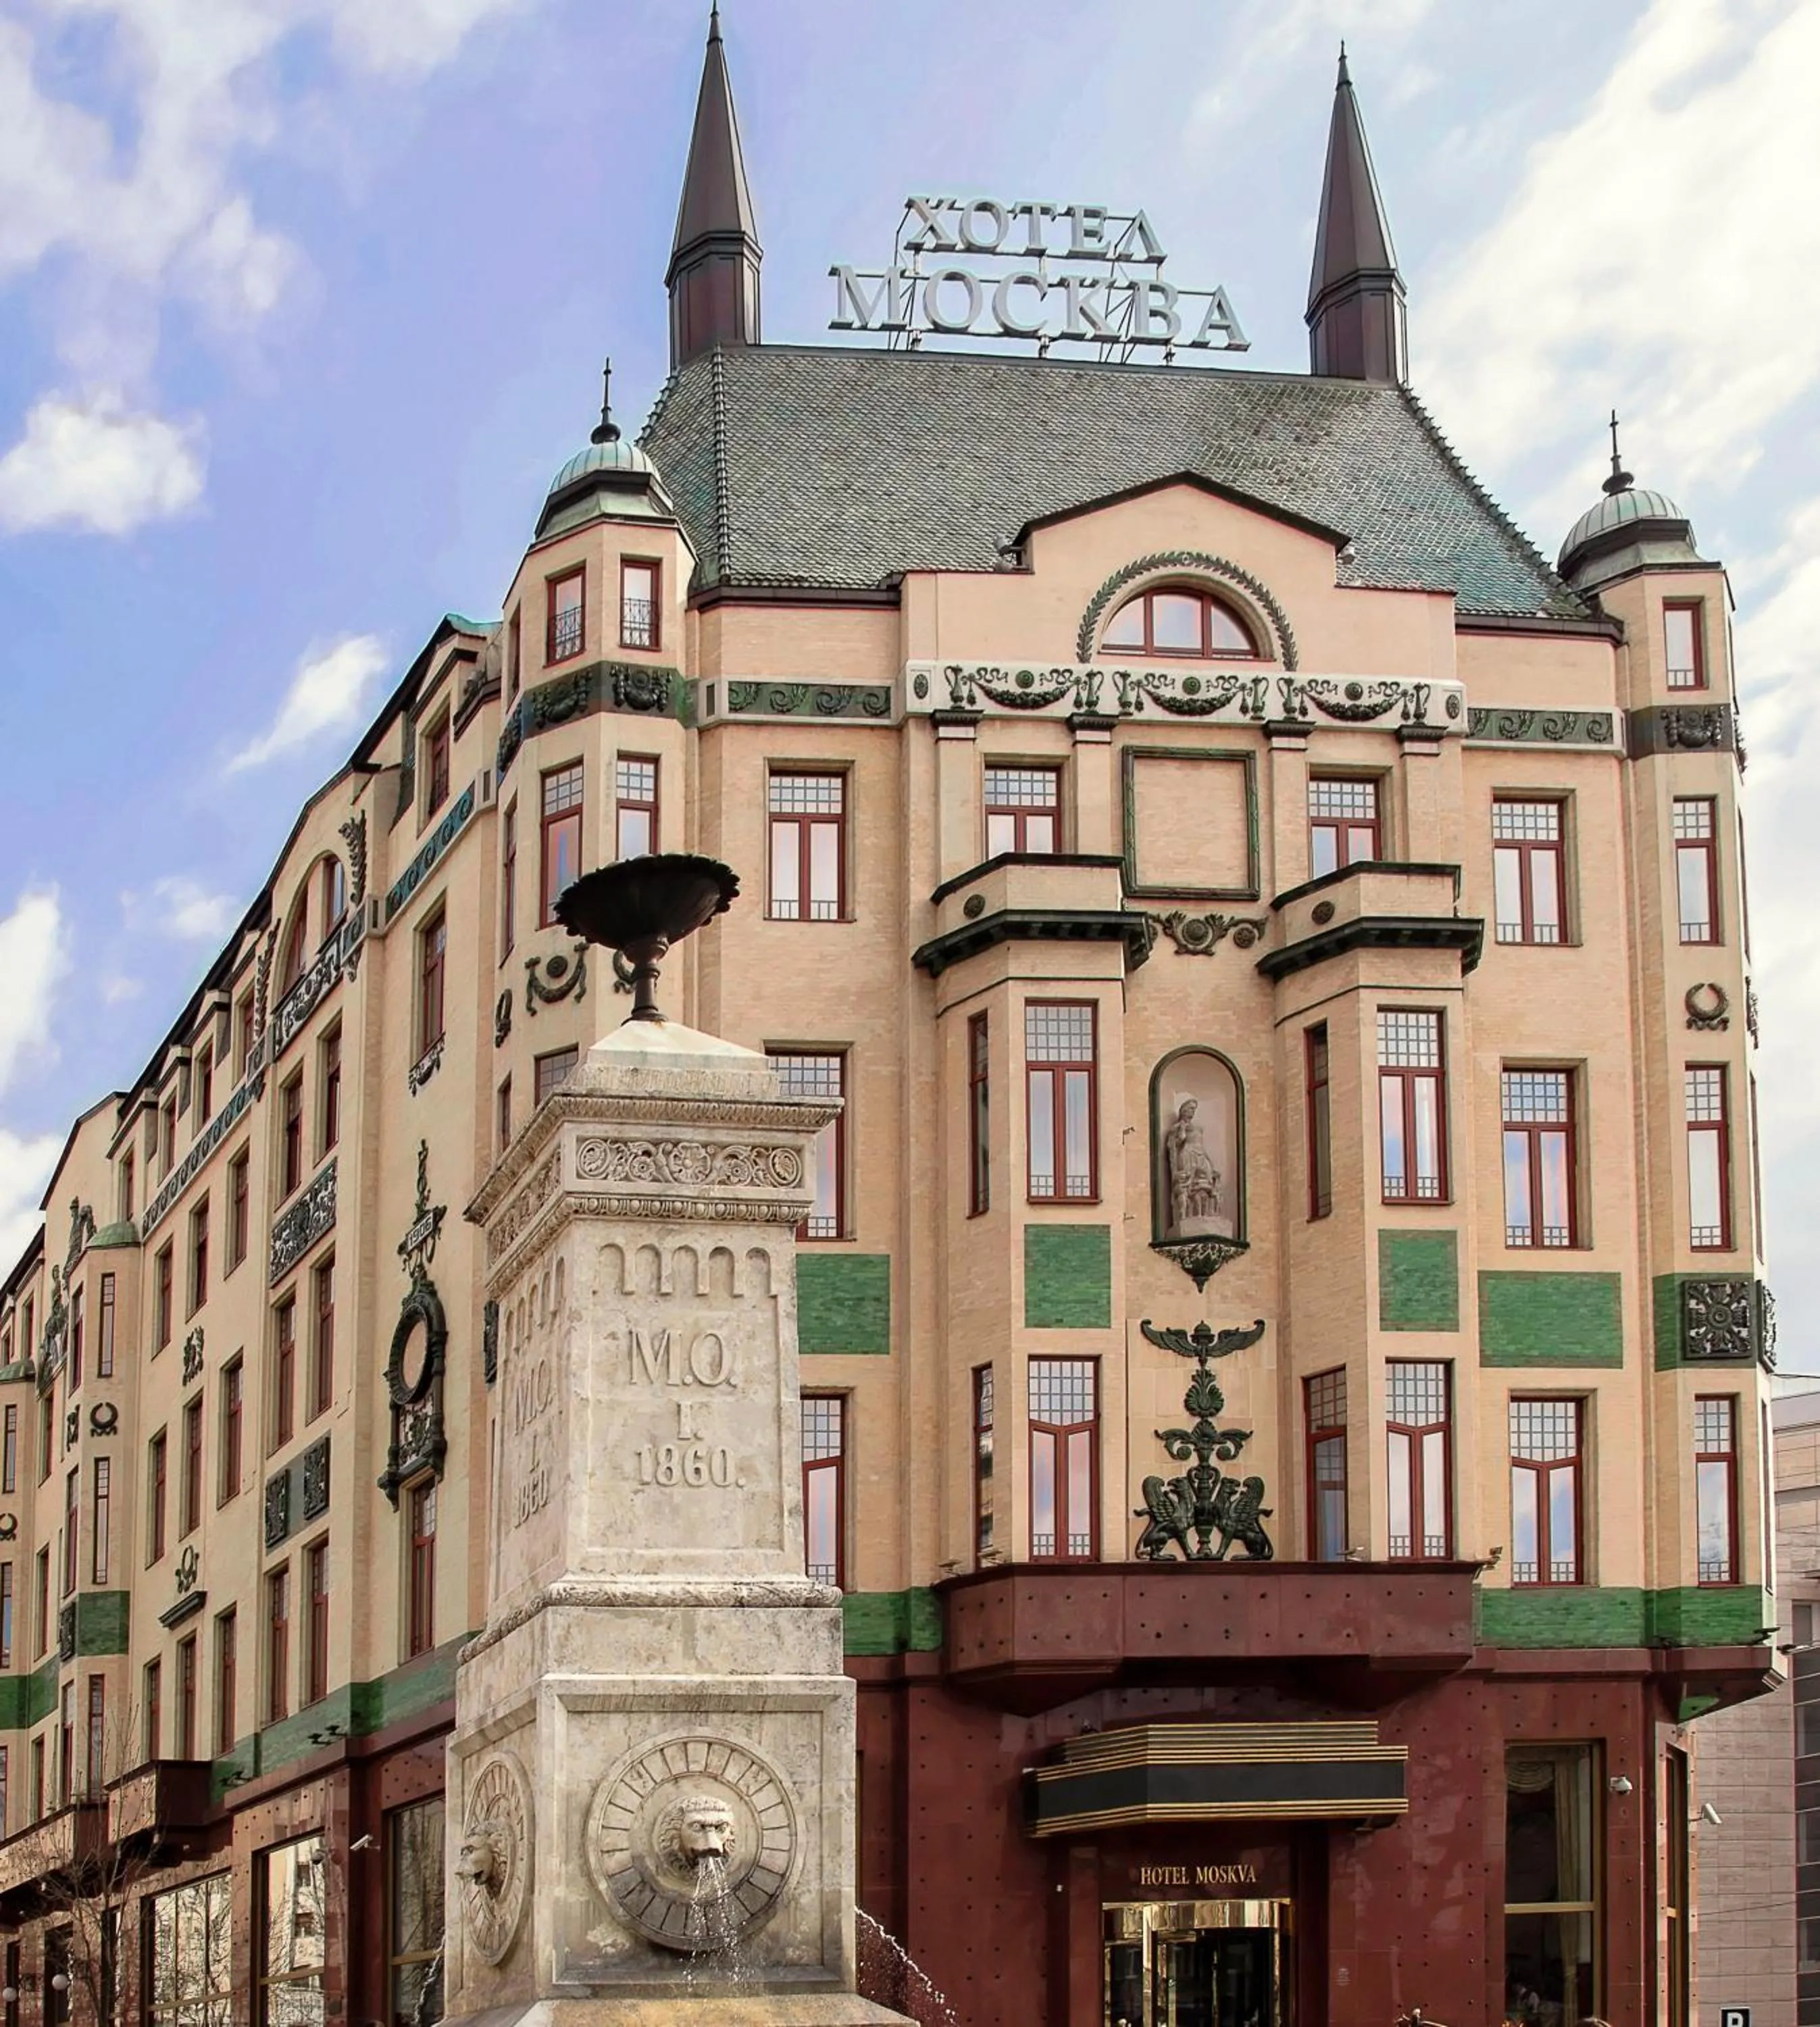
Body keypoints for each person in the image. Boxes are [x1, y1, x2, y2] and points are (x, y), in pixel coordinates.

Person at [1164, 1096, 1222, 1234]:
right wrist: (1182, 1129)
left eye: (1194, 1109)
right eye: (1190, 1108)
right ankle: (1187, 1217)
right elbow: (1174, 1144)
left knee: (1208, 1184)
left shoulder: (1199, 1128)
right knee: (1188, 1184)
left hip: (1200, 1155)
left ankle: (1206, 1214)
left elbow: (1202, 1146)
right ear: (1183, 1110)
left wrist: (1211, 1164)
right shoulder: (1177, 1127)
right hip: (1187, 1155)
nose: (1192, 1112)